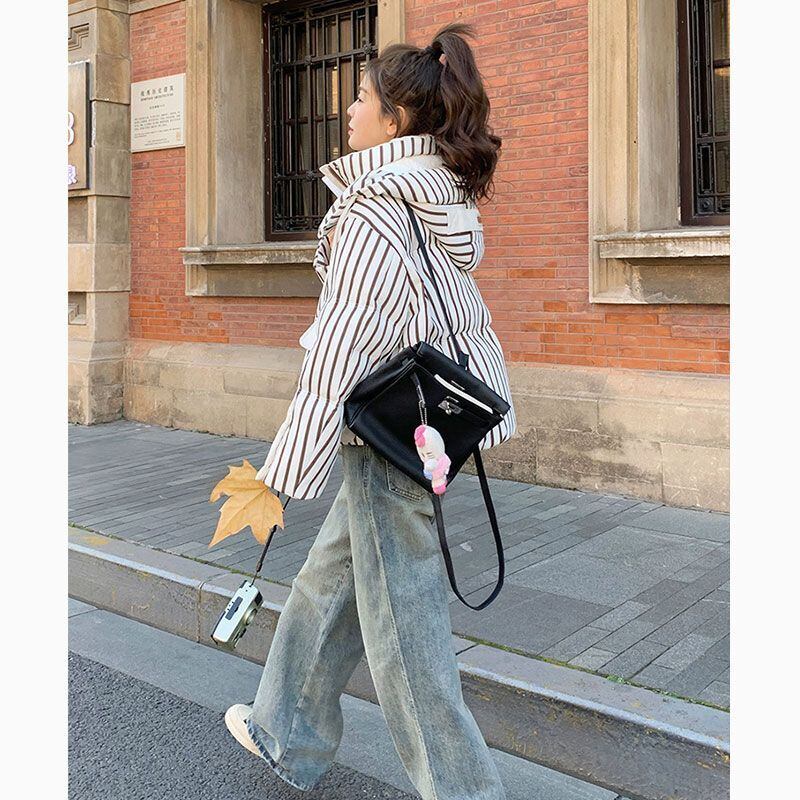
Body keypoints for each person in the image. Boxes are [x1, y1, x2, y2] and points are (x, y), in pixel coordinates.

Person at [224, 21, 515, 800]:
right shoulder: (434, 198)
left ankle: (465, 791)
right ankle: (285, 730)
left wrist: (281, 476)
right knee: (333, 580)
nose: (348, 109)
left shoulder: (375, 209)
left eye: (360, 98)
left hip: (388, 434)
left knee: (405, 635)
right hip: (425, 427)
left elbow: (343, 349)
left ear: (396, 120)